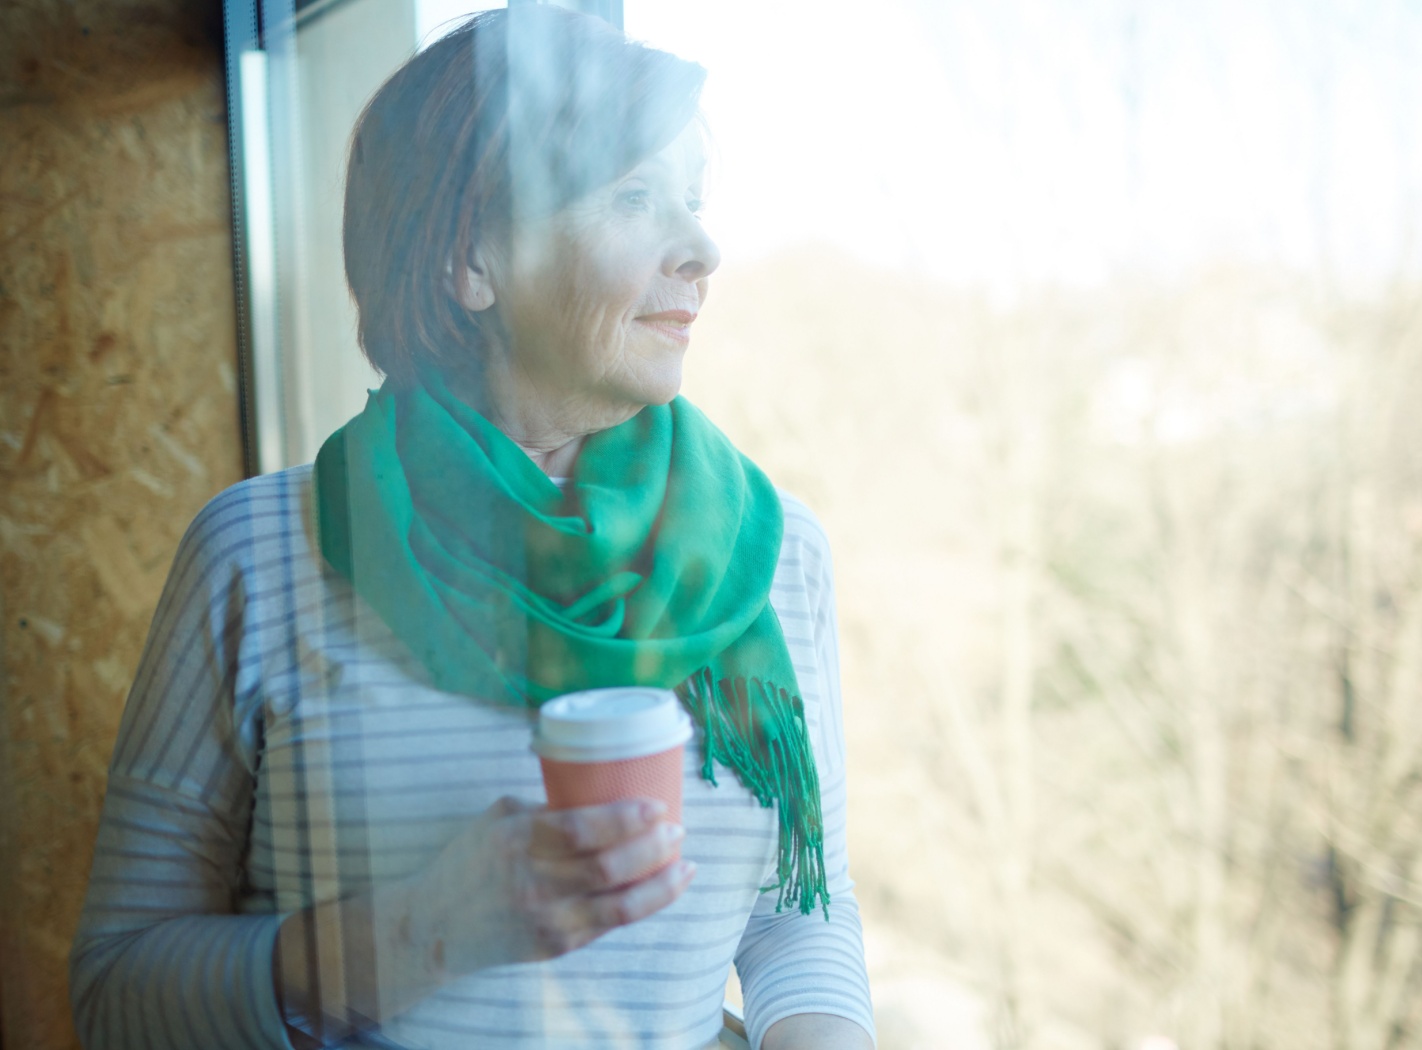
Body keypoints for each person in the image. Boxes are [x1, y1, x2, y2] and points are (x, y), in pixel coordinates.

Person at [68, 8, 875, 1049]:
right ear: (471, 259)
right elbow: (116, 993)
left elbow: (796, 919)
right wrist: (421, 932)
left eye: (694, 199)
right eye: (634, 195)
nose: (702, 248)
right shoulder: (259, 554)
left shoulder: (771, 553)